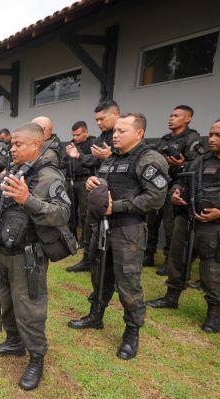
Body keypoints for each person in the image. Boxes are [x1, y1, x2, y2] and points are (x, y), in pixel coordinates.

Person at [0, 122, 71, 390]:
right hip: (4, 248)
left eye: (18, 144)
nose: (13, 148)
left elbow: (63, 214)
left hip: (28, 254)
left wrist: (28, 200)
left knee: (29, 306)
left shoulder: (49, 177)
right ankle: (13, 342)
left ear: (36, 145)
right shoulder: (18, 170)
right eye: (12, 144)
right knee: (5, 298)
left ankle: (36, 357)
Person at [148, 117, 220, 332]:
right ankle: (171, 297)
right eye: (211, 134)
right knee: (177, 259)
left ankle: (213, 314)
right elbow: (181, 181)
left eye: (218, 135)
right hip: (188, 219)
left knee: (213, 268)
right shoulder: (201, 160)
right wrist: (175, 193)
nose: (212, 139)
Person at [67, 112, 168, 360]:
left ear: (139, 133)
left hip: (128, 230)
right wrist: (93, 182)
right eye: (115, 131)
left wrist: (117, 207)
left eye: (122, 131)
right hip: (103, 228)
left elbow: (156, 198)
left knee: (128, 282)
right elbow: (104, 183)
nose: (115, 135)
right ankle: (96, 315)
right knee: (100, 274)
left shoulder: (149, 159)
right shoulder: (112, 159)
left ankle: (132, 332)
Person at [147, 105, 206, 275]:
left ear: (187, 118)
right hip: (158, 184)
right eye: (171, 115)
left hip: (177, 185)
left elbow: (198, 164)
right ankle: (148, 254)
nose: (171, 118)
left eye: (176, 116)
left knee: (170, 226)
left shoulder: (192, 138)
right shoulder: (165, 139)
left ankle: (169, 260)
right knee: (151, 222)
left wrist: (181, 164)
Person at [65, 99, 121, 272]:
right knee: (90, 224)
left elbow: (131, 160)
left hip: (120, 191)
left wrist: (110, 156)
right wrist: (78, 156)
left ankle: (109, 264)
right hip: (99, 187)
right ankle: (88, 259)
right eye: (96, 119)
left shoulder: (123, 134)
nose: (98, 123)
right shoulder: (101, 138)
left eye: (102, 119)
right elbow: (92, 160)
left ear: (115, 114)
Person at [66, 121, 96, 250]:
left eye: (78, 134)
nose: (75, 137)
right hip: (71, 181)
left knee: (85, 212)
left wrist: (79, 155)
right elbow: (63, 162)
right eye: (73, 134)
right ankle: (73, 239)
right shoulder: (71, 144)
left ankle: (85, 240)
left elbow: (94, 162)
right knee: (71, 212)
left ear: (86, 133)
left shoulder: (93, 144)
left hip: (85, 181)